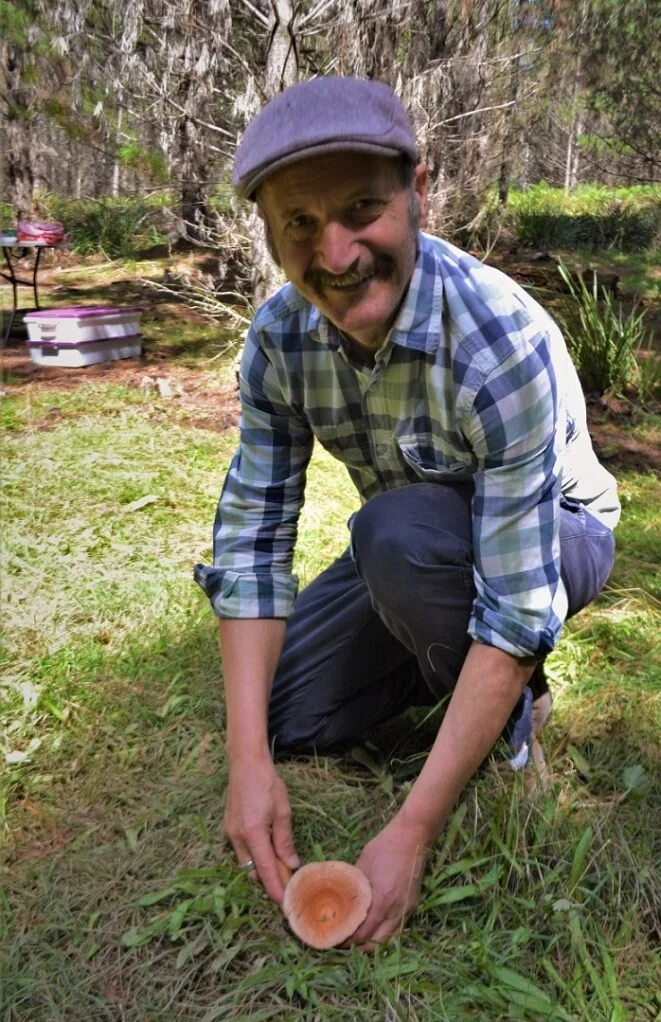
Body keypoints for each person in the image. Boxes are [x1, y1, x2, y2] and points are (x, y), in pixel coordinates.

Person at [195, 77, 620, 948]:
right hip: (421, 539)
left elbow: (511, 601)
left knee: (392, 534)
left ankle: (515, 709)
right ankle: (434, 649)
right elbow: (253, 541)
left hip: (557, 535)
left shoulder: (498, 339)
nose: (337, 251)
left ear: (418, 193)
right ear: (271, 236)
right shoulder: (280, 340)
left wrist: (410, 830)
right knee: (283, 716)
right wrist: (248, 765)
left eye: (362, 209)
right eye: (300, 225)